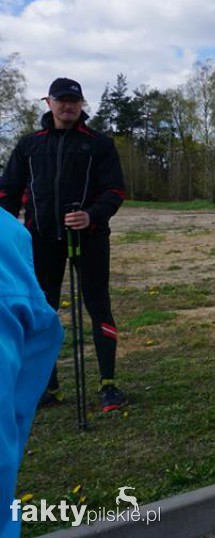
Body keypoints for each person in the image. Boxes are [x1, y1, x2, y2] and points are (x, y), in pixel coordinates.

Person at [0, 77, 128, 412]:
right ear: (49, 102)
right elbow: (8, 191)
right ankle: (48, 386)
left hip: (90, 239)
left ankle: (108, 384)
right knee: (43, 311)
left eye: (74, 100)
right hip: (42, 240)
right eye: (61, 100)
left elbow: (115, 190)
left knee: (98, 306)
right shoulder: (30, 145)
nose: (68, 106)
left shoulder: (99, 144)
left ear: (82, 104)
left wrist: (91, 216)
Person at [0, 210, 64, 538]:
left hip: (76, 236)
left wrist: (93, 216)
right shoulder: (9, 234)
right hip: (38, 237)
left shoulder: (9, 235)